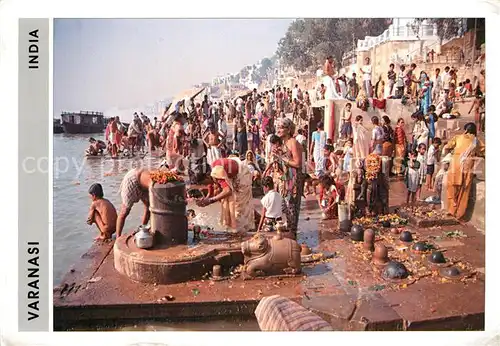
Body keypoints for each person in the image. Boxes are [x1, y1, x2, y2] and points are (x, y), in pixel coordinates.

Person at [196, 157, 254, 234]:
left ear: (207, 176)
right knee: (234, 204)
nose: (204, 185)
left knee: (239, 207)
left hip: (242, 175)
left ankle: (240, 231)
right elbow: (215, 187)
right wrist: (207, 198)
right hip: (234, 172)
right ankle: (245, 224)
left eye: (203, 183)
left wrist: (210, 200)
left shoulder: (217, 171)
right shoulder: (212, 169)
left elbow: (228, 191)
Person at [443, 123, 485, 219]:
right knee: (464, 191)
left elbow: (448, 146)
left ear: (466, 130)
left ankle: (451, 210)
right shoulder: (476, 141)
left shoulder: (458, 137)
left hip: (455, 166)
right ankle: (459, 214)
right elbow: (484, 151)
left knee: (451, 189)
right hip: (467, 168)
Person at [273, 117, 305, 236]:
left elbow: (297, 163)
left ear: (288, 130)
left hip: (294, 179)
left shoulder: (293, 142)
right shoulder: (282, 143)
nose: (279, 130)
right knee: (284, 206)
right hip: (285, 179)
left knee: (291, 206)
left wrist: (282, 158)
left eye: (281, 128)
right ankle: (289, 231)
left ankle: (293, 233)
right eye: (278, 127)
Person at [116, 168, 152, 237]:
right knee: (124, 211)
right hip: (133, 180)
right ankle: (118, 237)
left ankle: (142, 230)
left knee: (148, 208)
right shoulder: (159, 178)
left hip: (144, 185)